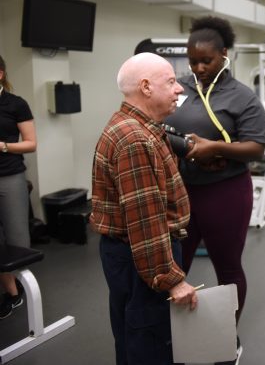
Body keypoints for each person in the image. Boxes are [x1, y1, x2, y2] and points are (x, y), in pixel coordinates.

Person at [165, 15, 265, 363]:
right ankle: (177, 336)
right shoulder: (178, 89)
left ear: (224, 54)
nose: (198, 68)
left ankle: (226, 337)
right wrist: (188, 151)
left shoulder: (242, 97)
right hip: (181, 192)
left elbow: (255, 147)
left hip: (225, 193)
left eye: (205, 60)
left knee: (227, 267)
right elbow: (159, 129)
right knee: (175, 266)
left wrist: (215, 148)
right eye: (193, 61)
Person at [90, 52, 199, 365]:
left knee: (131, 334)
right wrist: (171, 279)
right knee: (149, 343)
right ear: (147, 87)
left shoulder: (135, 126)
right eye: (171, 82)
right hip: (143, 260)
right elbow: (146, 221)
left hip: (127, 256)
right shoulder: (136, 139)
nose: (179, 89)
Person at [0, 54, 37, 320]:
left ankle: (25, 291)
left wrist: (3, 146)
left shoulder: (16, 104)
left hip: (10, 177)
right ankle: (12, 293)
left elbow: (31, 143)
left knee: (17, 241)